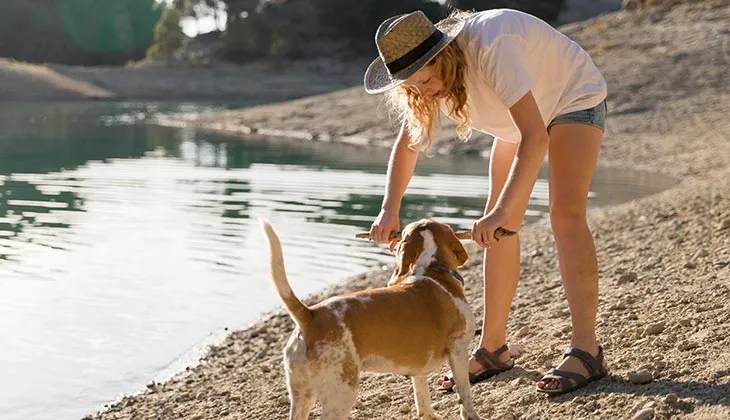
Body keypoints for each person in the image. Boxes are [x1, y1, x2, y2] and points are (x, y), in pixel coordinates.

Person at [365, 8, 609, 396]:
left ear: (442, 56)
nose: (423, 91)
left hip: (569, 95)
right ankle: (493, 348)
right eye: (412, 87)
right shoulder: (423, 82)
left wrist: (501, 212)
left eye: (425, 81)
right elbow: (408, 144)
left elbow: (536, 136)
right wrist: (389, 207)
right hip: (517, 117)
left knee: (564, 215)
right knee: (498, 228)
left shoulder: (491, 46)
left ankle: (587, 350)